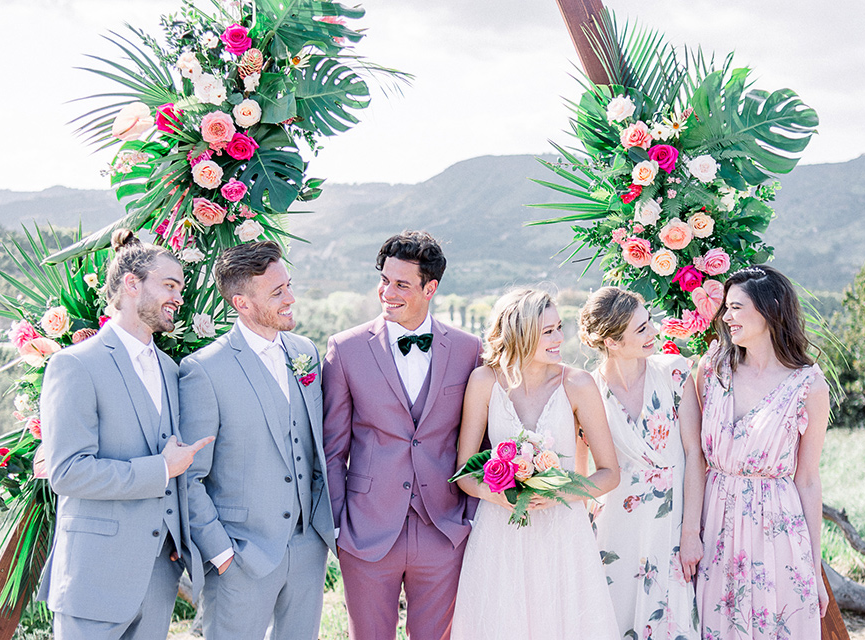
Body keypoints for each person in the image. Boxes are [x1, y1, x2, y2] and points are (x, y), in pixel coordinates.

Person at [38, 229, 211, 639]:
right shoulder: (74, 365)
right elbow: (68, 473)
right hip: (94, 577)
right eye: (169, 285)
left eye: (181, 288)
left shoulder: (171, 371)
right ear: (131, 284)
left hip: (158, 580)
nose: (178, 297)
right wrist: (160, 470)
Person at [322, 230, 482, 640]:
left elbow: (479, 440)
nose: (387, 292)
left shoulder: (468, 350)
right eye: (384, 280)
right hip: (367, 531)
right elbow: (332, 447)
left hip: (443, 529)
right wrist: (340, 526)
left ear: (430, 288)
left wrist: (469, 518)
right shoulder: (346, 349)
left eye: (401, 284)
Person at [178, 241, 335, 640]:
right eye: (277, 292)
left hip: (307, 549)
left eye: (289, 286)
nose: (291, 298)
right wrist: (222, 553)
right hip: (240, 556)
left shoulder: (305, 353)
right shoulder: (204, 370)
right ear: (242, 303)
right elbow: (189, 476)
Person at [451, 289, 620, 640]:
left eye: (559, 327)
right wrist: (495, 495)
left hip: (563, 532)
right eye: (548, 331)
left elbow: (609, 473)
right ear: (520, 332)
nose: (560, 338)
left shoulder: (577, 383)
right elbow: (465, 470)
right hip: (501, 531)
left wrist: (561, 490)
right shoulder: (484, 382)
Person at [696, 265, 829, 638]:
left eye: (736, 307)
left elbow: (808, 479)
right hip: (716, 526)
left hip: (777, 532)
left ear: (769, 309)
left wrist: (815, 570)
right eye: (725, 307)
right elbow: (691, 454)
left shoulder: (808, 385)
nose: (726, 317)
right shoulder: (712, 369)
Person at [578, 286, 704, 640]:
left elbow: (695, 455)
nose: (654, 333)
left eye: (649, 323)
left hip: (670, 529)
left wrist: (690, 532)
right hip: (612, 529)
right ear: (612, 341)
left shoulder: (675, 373)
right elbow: (581, 468)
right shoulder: (585, 389)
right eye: (642, 329)